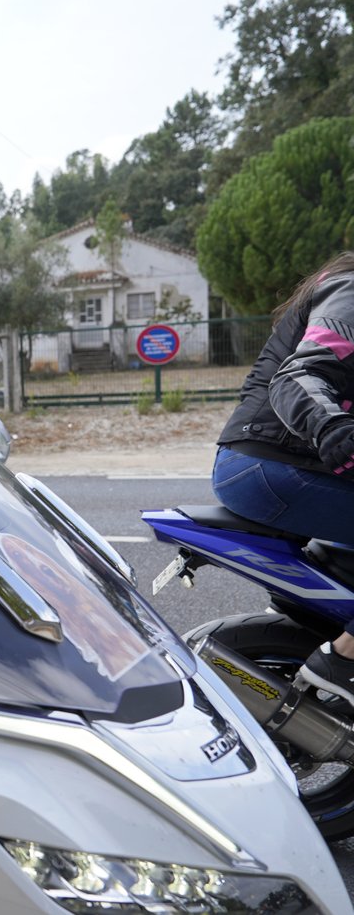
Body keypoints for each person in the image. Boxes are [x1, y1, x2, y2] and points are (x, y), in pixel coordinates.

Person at [211, 253, 354, 704]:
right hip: (273, 465)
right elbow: (301, 374)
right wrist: (334, 428)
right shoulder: (351, 289)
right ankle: (345, 661)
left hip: (284, 463)